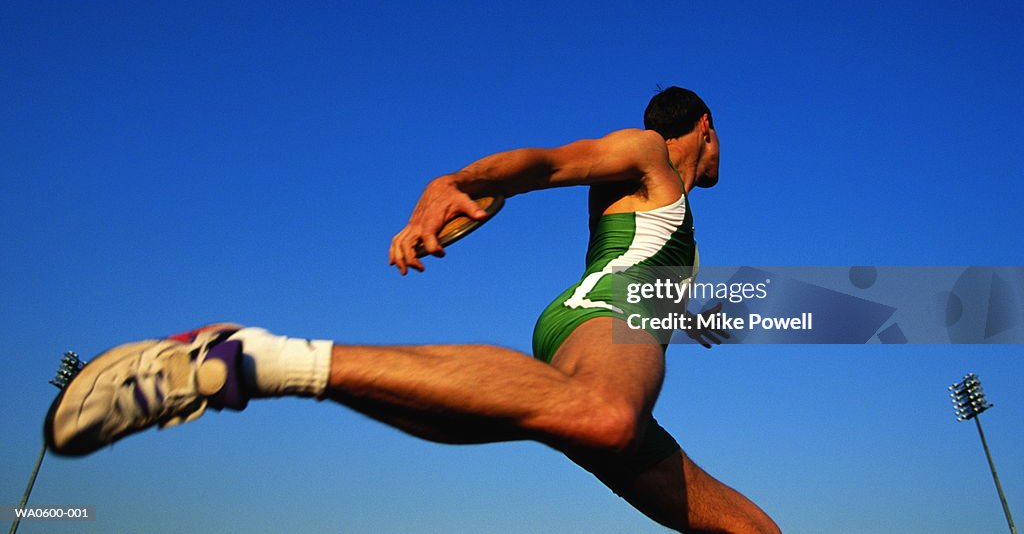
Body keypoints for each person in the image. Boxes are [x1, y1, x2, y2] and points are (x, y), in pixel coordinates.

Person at [45, 87, 780, 533]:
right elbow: (544, 166)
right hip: (601, 314)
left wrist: (694, 314)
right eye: (721, 143)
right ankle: (249, 359)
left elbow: (639, 265)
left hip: (627, 318)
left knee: (749, 529)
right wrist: (457, 179)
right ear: (706, 127)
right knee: (605, 416)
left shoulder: (667, 214)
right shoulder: (647, 150)